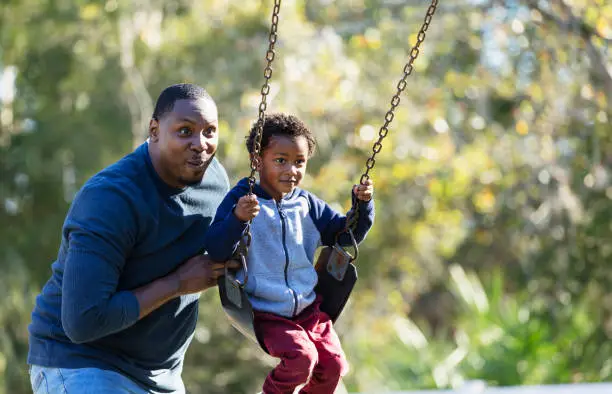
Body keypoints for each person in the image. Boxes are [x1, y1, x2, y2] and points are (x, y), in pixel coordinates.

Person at [27, 83, 238, 394]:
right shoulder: (110, 199)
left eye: (210, 131)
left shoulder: (216, 182)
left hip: (160, 375)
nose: (200, 144)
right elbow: (83, 322)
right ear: (154, 130)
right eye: (185, 131)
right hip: (82, 361)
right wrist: (179, 283)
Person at [205, 113, 375, 394]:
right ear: (257, 161)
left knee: (333, 365)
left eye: (299, 162)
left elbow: (345, 236)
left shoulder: (307, 204)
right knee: (301, 358)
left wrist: (362, 206)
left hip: (309, 308)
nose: (291, 170)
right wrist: (237, 218)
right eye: (280, 160)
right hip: (266, 312)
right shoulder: (242, 200)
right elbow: (216, 248)